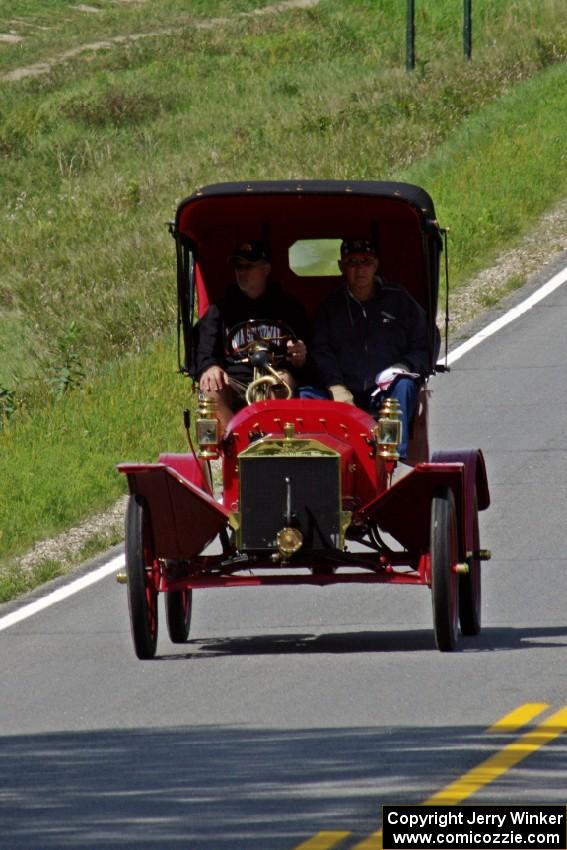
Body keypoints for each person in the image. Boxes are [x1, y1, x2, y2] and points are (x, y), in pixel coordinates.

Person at [310, 237, 434, 459]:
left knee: (404, 386)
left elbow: (425, 342)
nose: (360, 269)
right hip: (343, 391)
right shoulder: (330, 306)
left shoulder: (399, 300)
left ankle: (392, 459)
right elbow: (320, 350)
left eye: (366, 262)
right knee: (304, 395)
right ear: (341, 266)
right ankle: (322, 461)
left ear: (376, 265)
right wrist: (335, 385)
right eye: (352, 262)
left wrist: (402, 366)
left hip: (386, 389)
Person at [193, 240, 309, 430]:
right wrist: (210, 366)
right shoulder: (220, 310)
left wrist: (300, 358)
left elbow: (307, 357)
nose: (242, 272)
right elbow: (203, 350)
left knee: (279, 383)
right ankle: (235, 444)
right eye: (238, 267)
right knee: (209, 388)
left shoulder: (289, 308)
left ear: (266, 269)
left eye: (248, 267)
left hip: (276, 376)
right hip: (235, 381)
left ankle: (273, 445)